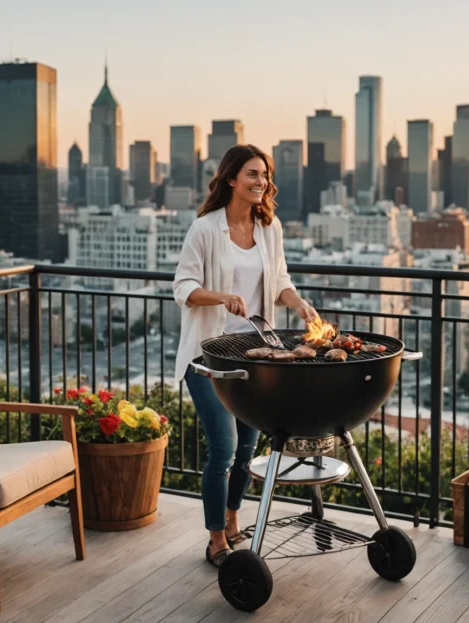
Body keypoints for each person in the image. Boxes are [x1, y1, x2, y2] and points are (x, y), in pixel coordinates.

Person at [172, 144, 319, 568]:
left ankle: (234, 519)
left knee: (247, 449)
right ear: (232, 179)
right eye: (253, 174)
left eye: (266, 175)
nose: (261, 182)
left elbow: (278, 280)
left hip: (255, 358)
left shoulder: (269, 229)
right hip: (209, 358)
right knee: (223, 447)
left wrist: (298, 304)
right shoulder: (204, 229)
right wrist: (222, 297)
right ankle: (216, 539)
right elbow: (183, 287)